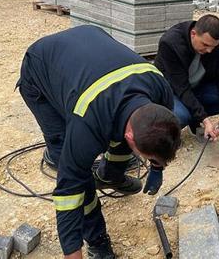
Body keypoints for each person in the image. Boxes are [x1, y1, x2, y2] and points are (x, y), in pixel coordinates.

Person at [17, 25, 181, 259]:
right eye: (148, 159)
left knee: (116, 128)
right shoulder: (88, 121)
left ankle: (110, 176)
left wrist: (158, 167)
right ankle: (97, 239)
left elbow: (157, 133)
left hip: (87, 43)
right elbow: (68, 194)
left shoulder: (160, 90)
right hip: (39, 68)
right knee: (75, 167)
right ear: (131, 137)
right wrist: (72, 253)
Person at [154, 15, 219, 141]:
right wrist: (205, 121)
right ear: (193, 34)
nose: (209, 50)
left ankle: (194, 116)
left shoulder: (213, 42)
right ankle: (169, 122)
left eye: (213, 47)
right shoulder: (170, 43)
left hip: (197, 87)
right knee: (181, 117)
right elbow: (181, 87)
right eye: (205, 45)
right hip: (172, 91)